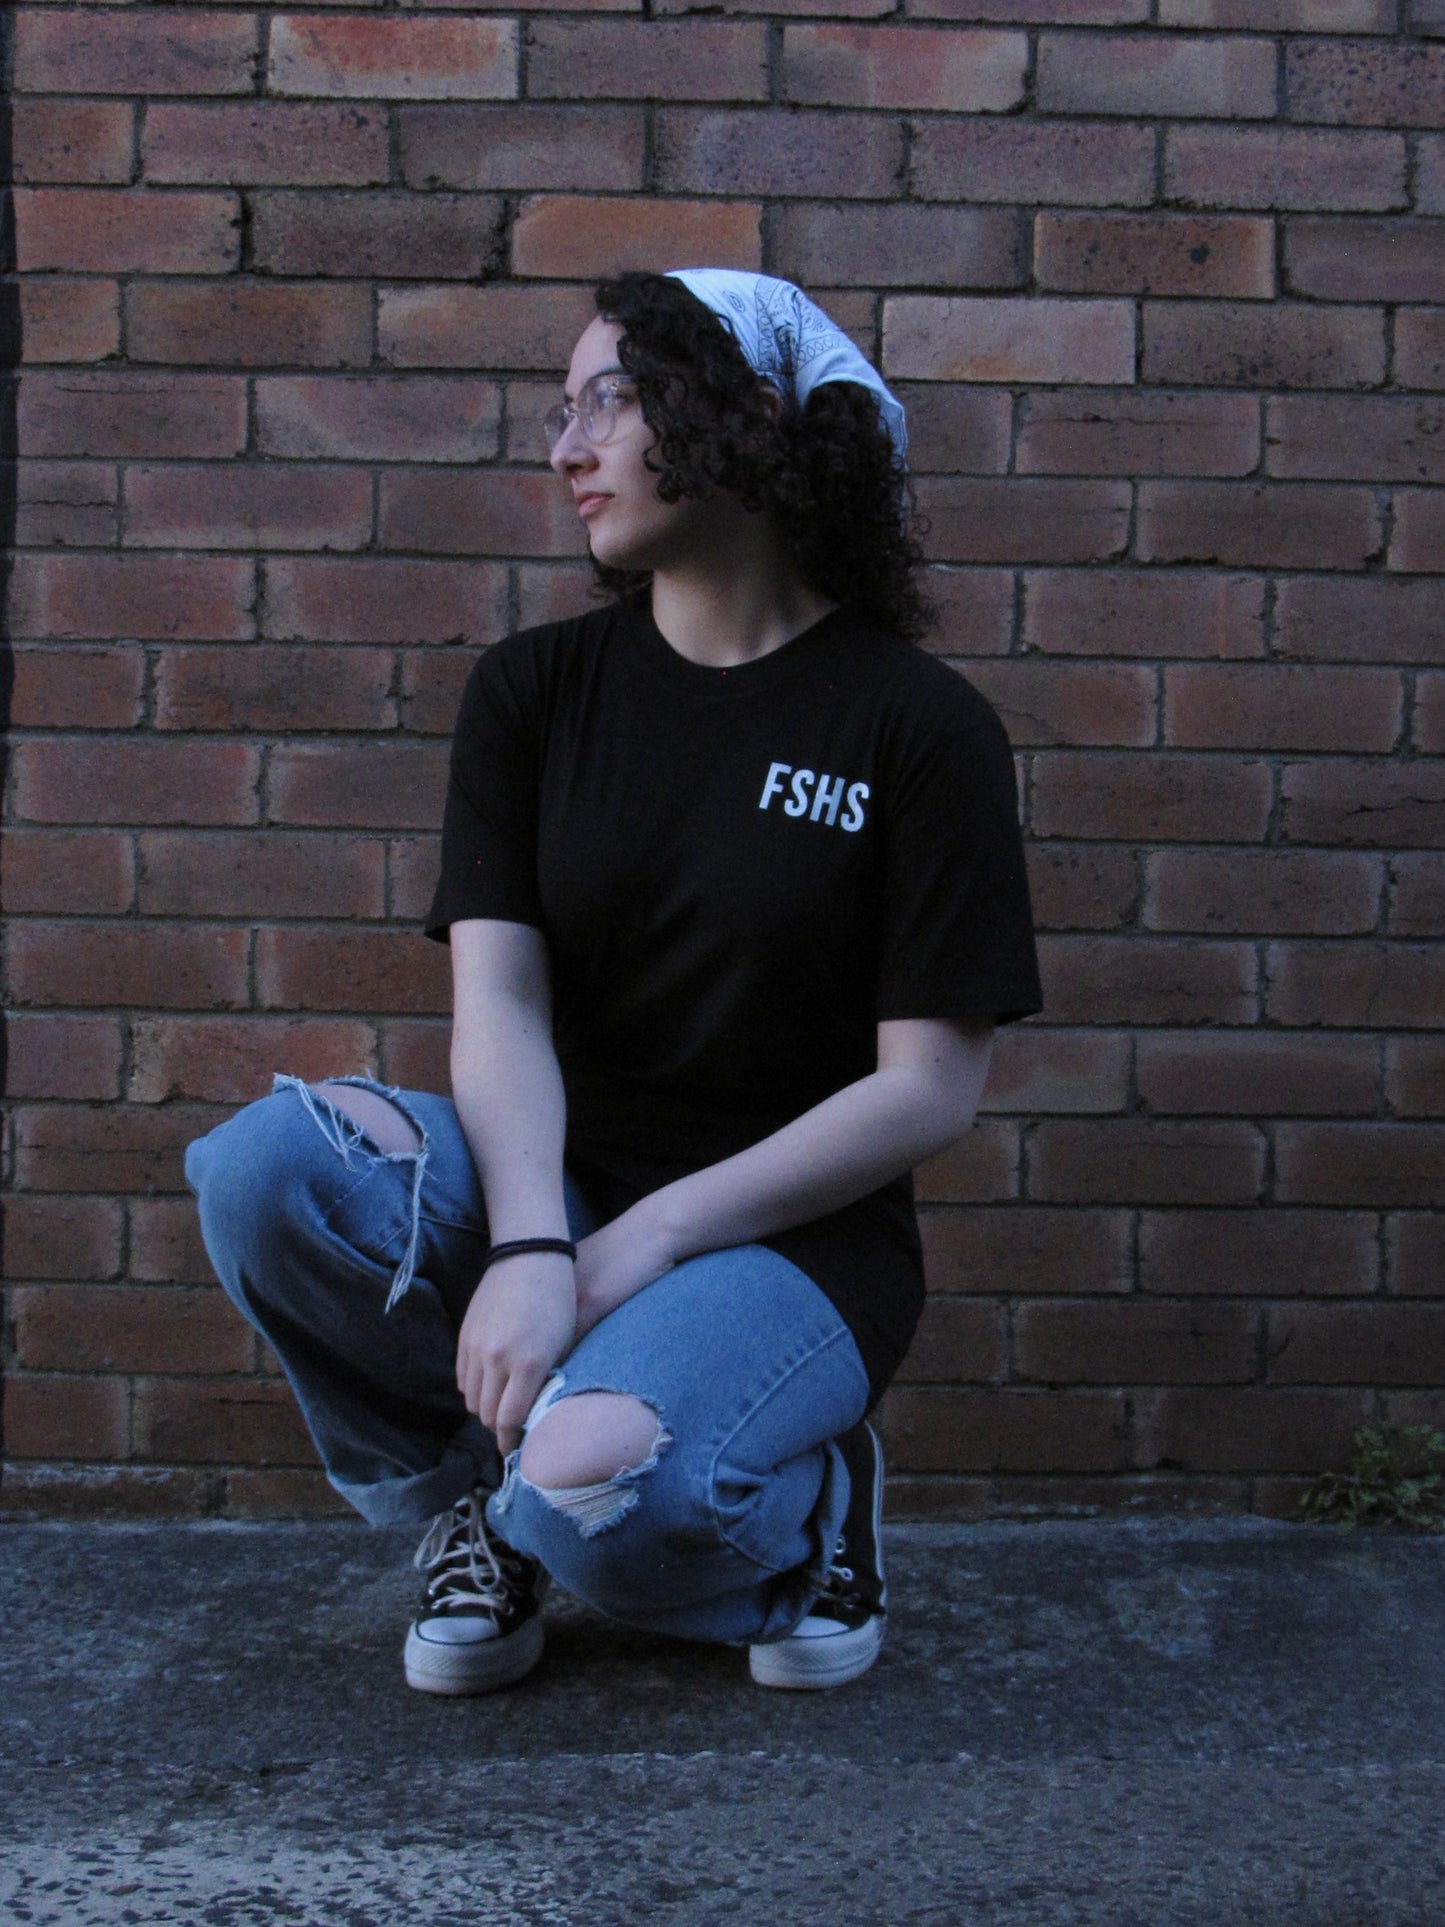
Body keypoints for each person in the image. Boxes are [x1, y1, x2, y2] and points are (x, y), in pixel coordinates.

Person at [187, 268, 1042, 1697]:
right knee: (270, 1167)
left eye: (610, 400)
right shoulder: (531, 693)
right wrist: (531, 1247)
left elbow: (926, 1090)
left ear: (745, 417)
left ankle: (794, 1517)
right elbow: (500, 1007)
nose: (565, 446)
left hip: (790, 1243)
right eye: (560, 408)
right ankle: (478, 1508)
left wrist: (641, 1240)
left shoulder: (918, 727)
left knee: (607, 1500)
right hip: (549, 1187)